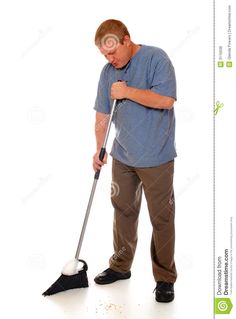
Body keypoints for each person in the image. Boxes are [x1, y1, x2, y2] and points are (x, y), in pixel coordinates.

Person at [92, 19, 177, 303]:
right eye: (105, 55)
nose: (110, 59)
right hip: (123, 156)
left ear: (127, 40)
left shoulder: (156, 58)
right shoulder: (107, 72)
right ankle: (120, 266)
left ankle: (165, 278)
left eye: (113, 52)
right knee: (123, 212)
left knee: (161, 218)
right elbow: (102, 114)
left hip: (157, 157)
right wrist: (98, 149)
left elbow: (166, 100)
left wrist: (126, 91)